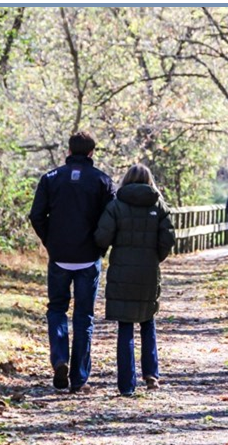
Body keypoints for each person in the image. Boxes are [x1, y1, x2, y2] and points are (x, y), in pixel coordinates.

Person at [29, 132, 116, 393]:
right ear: (91, 153)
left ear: (69, 150)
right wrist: (100, 246)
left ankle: (59, 359)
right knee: (84, 316)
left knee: (56, 309)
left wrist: (51, 242)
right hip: (88, 259)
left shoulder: (51, 179)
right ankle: (78, 378)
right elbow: (109, 220)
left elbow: (36, 215)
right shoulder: (102, 180)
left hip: (60, 258)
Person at [94, 164, 175, 397]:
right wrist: (155, 257)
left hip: (121, 271)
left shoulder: (116, 205)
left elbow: (102, 236)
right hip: (148, 270)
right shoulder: (159, 205)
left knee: (125, 326)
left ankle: (126, 384)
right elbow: (168, 238)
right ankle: (151, 374)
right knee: (148, 320)